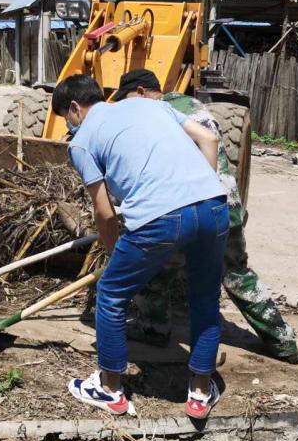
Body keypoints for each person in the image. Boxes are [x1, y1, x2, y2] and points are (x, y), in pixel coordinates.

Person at [54, 74, 229, 419]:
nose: (69, 127)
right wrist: (198, 191)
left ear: (74, 108)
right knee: (206, 298)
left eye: (66, 119)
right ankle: (199, 392)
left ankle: (110, 390)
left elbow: (104, 212)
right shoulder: (148, 104)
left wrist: (112, 250)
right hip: (213, 204)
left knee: (112, 294)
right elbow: (208, 138)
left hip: (158, 218)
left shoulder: (81, 142)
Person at [110, 69, 298, 364]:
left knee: (154, 264)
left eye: (128, 100)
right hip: (225, 204)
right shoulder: (191, 106)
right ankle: (283, 340)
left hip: (194, 204)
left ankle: (154, 327)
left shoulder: (159, 112)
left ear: (139, 92)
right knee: (237, 274)